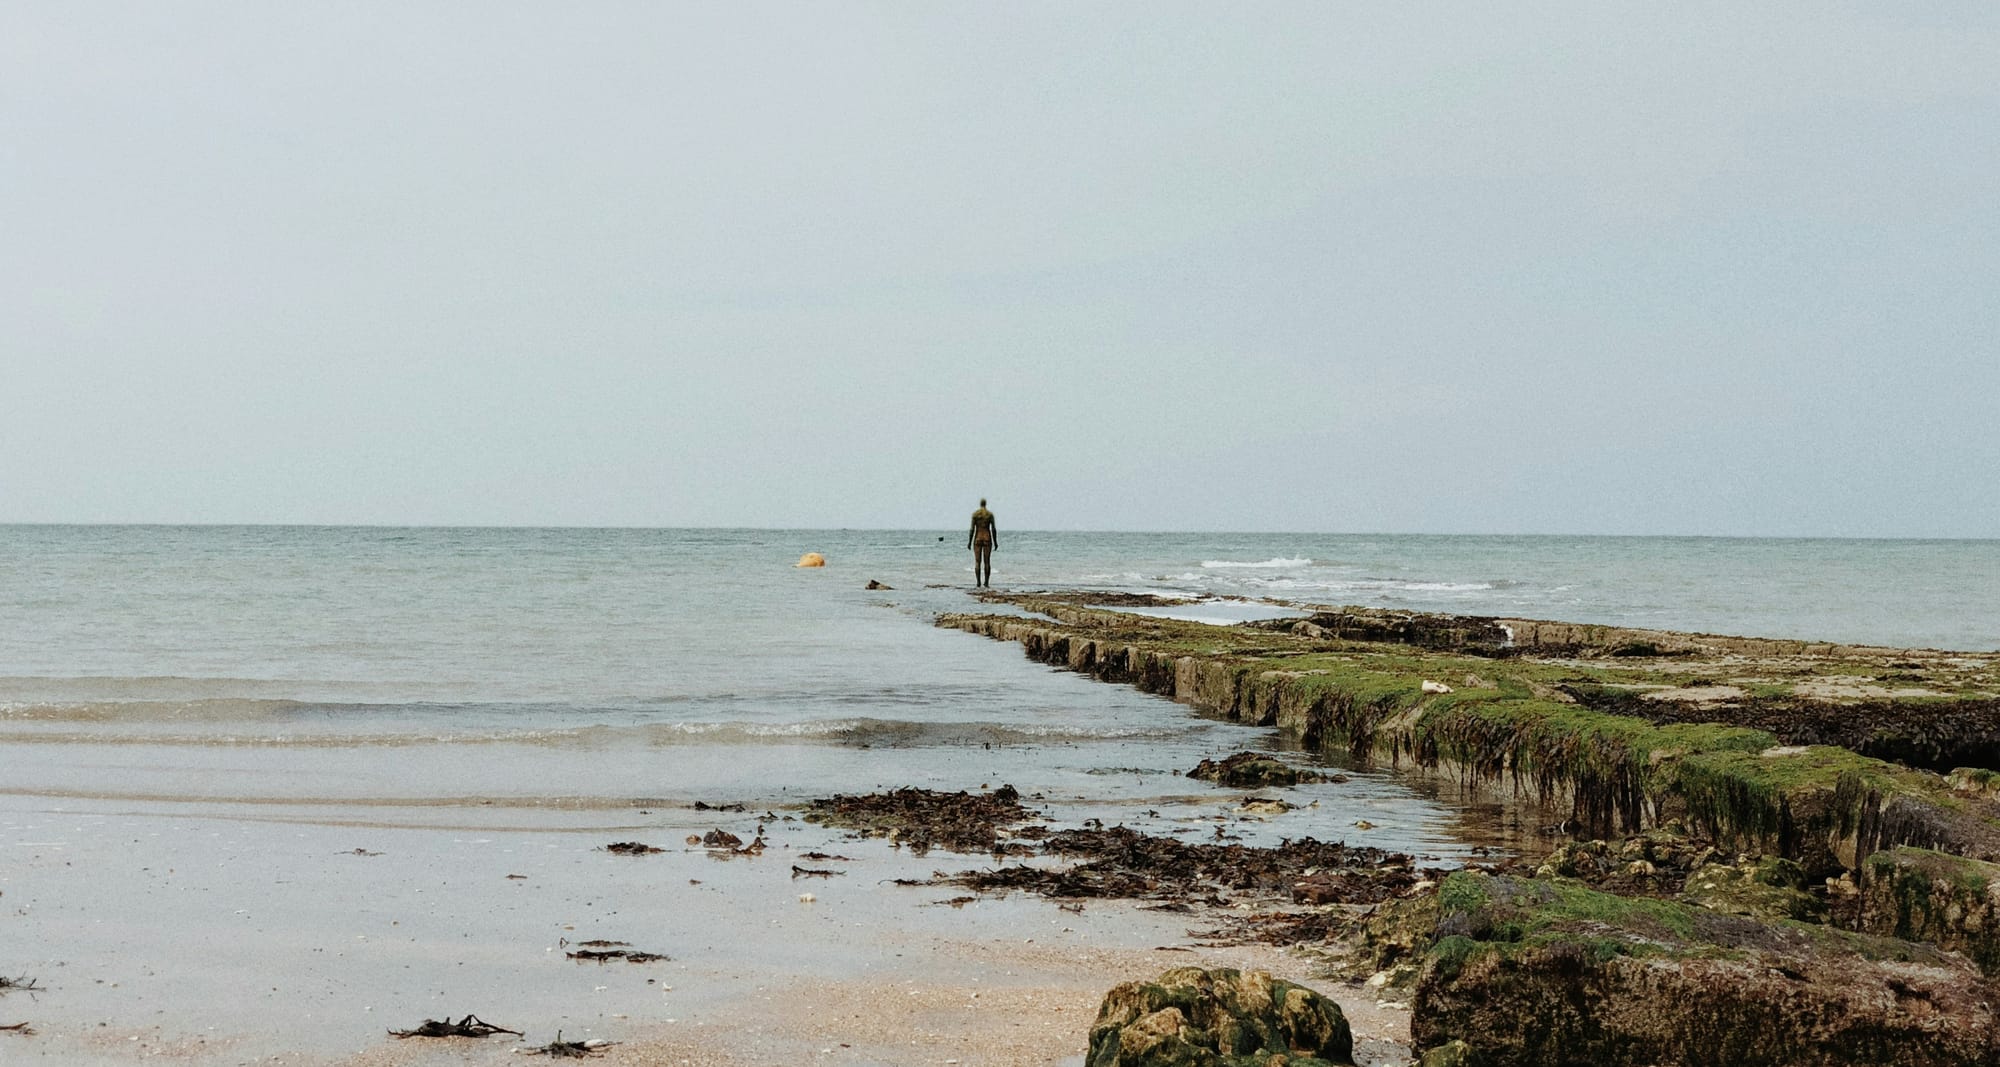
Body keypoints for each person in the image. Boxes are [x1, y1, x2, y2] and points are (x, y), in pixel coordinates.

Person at [967, 499, 997, 587]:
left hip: (978, 538)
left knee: (977, 562)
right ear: (985, 504)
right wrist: (995, 542)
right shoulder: (990, 515)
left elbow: (972, 529)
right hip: (987, 537)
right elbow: (993, 529)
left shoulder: (975, 514)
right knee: (987, 561)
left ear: (980, 504)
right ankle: (986, 582)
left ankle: (978, 582)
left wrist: (969, 541)